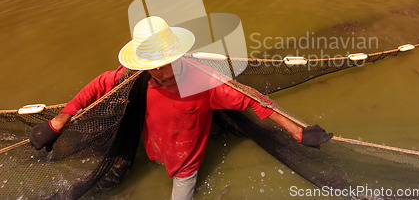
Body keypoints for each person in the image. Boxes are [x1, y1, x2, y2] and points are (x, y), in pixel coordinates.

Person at [29, 16, 332, 200]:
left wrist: (297, 130)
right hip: (155, 148)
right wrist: (59, 121)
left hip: (186, 163)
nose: (161, 72)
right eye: (153, 66)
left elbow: (252, 98)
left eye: (166, 63)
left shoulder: (205, 81)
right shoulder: (134, 75)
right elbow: (99, 85)